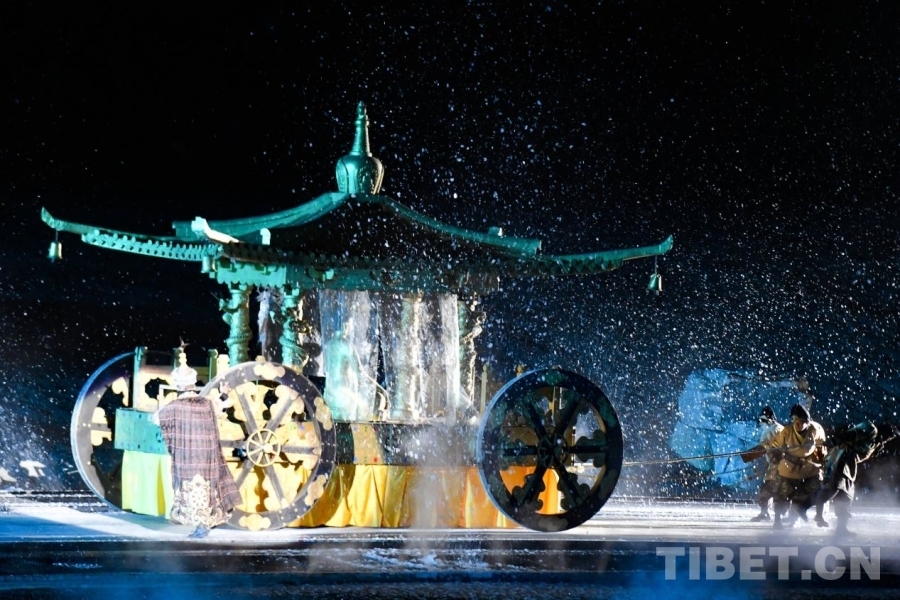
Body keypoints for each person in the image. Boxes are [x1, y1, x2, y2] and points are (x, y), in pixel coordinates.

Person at [157, 351, 241, 538]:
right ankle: (206, 521)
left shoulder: (172, 407)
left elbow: (156, 419)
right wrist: (224, 393)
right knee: (206, 487)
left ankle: (200, 524)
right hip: (206, 455)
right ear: (193, 383)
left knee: (190, 488)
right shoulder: (207, 404)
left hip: (186, 456)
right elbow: (223, 403)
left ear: (177, 385)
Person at [813, 421, 896, 537]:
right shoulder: (871, 429)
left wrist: (875, 449)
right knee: (834, 487)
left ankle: (841, 529)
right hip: (840, 458)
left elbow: (863, 452)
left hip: (849, 463)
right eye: (889, 435)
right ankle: (814, 511)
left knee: (846, 494)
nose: (887, 439)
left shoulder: (877, 443)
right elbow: (852, 434)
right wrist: (836, 440)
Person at [768, 403, 827, 529]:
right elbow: (777, 447)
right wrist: (777, 453)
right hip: (788, 468)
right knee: (782, 495)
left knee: (815, 491)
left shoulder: (815, 429)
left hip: (809, 468)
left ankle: (817, 516)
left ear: (807, 422)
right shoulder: (786, 431)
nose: (797, 424)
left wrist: (820, 457)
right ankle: (777, 521)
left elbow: (821, 446)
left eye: (800, 422)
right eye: (795, 421)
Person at [748, 406, 784, 522]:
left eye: (762, 420)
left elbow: (762, 447)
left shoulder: (771, 430)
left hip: (776, 467)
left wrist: (749, 455)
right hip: (782, 466)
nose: (761, 423)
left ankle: (768, 514)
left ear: (769, 420)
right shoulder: (782, 429)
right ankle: (771, 514)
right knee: (777, 491)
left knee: (768, 490)